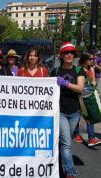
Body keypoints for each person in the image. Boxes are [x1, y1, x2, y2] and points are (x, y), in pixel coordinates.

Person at [50, 42, 86, 178]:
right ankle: (70, 171)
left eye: (71, 52)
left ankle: (57, 164)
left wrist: (65, 83)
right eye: (66, 52)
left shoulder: (79, 71)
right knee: (66, 143)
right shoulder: (56, 71)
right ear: (61, 55)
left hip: (75, 112)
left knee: (64, 142)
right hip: (60, 111)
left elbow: (80, 89)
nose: (69, 55)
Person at [74, 53, 101, 147]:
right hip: (79, 95)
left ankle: (91, 138)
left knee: (89, 115)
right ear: (85, 60)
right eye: (91, 59)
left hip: (89, 95)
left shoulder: (92, 69)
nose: (93, 61)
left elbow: (93, 80)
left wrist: (93, 86)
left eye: (93, 59)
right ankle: (76, 134)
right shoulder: (77, 69)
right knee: (78, 115)